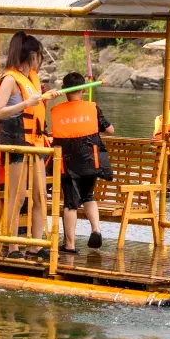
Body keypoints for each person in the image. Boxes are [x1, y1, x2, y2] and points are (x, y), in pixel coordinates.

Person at [0, 32, 60, 259]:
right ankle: (12, 246)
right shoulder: (10, 79)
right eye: (39, 56)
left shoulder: (30, 79)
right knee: (18, 196)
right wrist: (26, 103)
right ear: (31, 55)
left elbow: (33, 104)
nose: (39, 61)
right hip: (17, 144)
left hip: (36, 144)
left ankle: (35, 245)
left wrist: (44, 98)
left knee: (40, 195)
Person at [50, 72, 114, 253]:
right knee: (88, 196)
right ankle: (96, 229)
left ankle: (69, 244)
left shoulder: (56, 111)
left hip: (67, 163)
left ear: (65, 90)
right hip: (90, 161)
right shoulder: (92, 108)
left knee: (70, 203)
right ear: (83, 90)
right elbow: (110, 130)